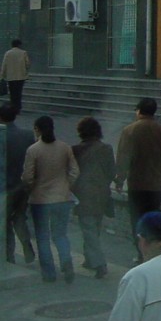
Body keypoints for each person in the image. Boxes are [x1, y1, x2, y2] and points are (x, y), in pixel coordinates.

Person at [114, 98, 161, 262]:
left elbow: (123, 158)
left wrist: (120, 179)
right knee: (153, 219)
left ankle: (141, 253)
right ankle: (154, 253)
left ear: (139, 111)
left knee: (137, 220)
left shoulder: (129, 131)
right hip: (156, 185)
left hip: (137, 183)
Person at [21, 115, 79, 283]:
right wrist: (67, 185)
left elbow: (27, 177)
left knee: (42, 237)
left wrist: (31, 188)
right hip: (62, 198)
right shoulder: (65, 147)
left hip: (40, 200)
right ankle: (67, 264)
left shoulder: (33, 150)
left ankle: (49, 273)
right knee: (60, 234)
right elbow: (75, 172)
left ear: (37, 130)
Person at [72, 116, 116, 279]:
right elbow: (112, 172)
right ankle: (89, 259)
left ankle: (99, 263)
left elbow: (72, 173)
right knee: (94, 228)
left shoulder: (76, 150)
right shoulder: (106, 149)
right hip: (102, 194)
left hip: (83, 195)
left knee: (88, 230)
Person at [3, 104, 35, 264]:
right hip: (22, 185)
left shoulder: (2, 135)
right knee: (20, 218)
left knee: (5, 222)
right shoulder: (27, 135)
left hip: (5, 187)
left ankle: (9, 256)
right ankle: (28, 249)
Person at [0, 38, 30, 114]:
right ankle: (18, 108)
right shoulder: (23, 53)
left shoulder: (8, 53)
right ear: (19, 45)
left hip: (11, 77)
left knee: (12, 93)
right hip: (21, 77)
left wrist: (2, 76)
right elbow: (27, 64)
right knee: (18, 92)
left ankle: (13, 108)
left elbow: (4, 65)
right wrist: (25, 71)